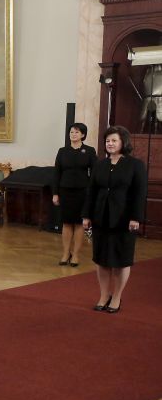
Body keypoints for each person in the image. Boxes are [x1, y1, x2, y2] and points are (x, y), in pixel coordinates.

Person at [82, 125, 147, 314]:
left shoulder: (135, 165)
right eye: (107, 141)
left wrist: (136, 217)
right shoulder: (100, 164)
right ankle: (104, 295)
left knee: (121, 260)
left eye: (114, 140)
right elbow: (91, 192)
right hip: (100, 218)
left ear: (123, 142)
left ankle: (117, 297)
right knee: (101, 260)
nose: (110, 144)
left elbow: (139, 194)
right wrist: (86, 215)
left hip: (124, 220)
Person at [52, 122, 97, 267]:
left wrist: (92, 193)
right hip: (65, 191)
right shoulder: (62, 151)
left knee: (79, 223)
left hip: (82, 192)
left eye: (77, 132)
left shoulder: (89, 151)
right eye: (71, 132)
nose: (73, 134)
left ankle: (76, 255)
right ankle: (66, 253)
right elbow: (57, 173)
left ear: (83, 135)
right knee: (66, 222)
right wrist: (55, 193)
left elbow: (94, 174)